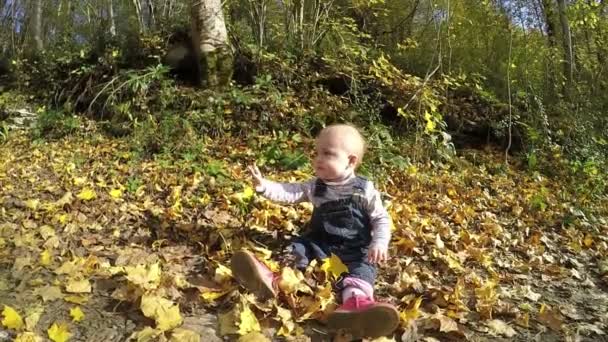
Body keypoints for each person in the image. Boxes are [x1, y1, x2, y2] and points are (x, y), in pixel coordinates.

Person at [231, 124, 399, 338]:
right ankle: (274, 278)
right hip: (319, 243)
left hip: (354, 248)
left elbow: (381, 218)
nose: (318, 159)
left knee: (362, 270)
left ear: (351, 161)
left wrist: (379, 243)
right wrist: (264, 186)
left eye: (327, 153)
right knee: (298, 247)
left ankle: (356, 305)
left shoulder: (364, 189)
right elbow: (289, 192)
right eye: (317, 153)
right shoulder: (315, 186)